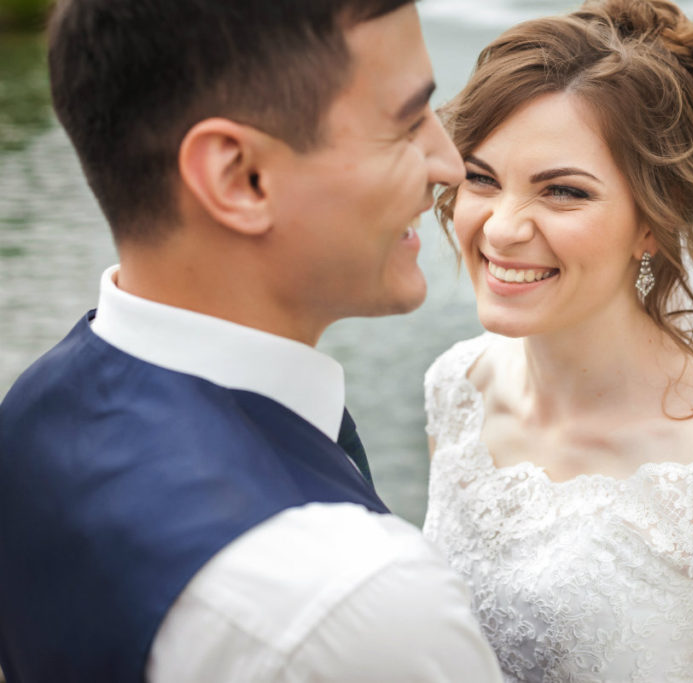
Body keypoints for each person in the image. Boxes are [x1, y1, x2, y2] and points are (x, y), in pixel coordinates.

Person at [0, 1, 503, 681]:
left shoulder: (31, 411)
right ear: (241, 177)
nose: (448, 163)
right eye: (408, 121)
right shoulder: (355, 599)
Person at [422, 0, 693, 681]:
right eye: (482, 177)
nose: (501, 228)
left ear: (652, 224)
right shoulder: (457, 388)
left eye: (563, 192)